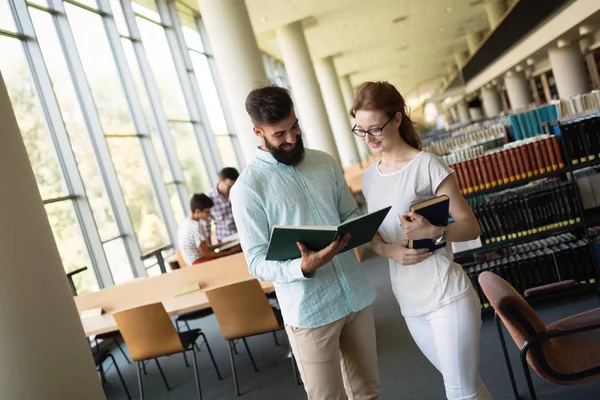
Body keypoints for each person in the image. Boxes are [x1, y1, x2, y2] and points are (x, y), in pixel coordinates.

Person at [230, 85, 379, 400]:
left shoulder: (324, 162)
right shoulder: (247, 189)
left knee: (368, 392)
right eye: (279, 134)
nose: (291, 138)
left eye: (294, 126)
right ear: (257, 132)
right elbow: (256, 262)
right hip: (309, 310)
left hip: (354, 294)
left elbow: (349, 212)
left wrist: (360, 228)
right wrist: (302, 266)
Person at [351, 81, 493, 400]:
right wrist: (386, 248)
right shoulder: (370, 178)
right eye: (360, 130)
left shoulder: (427, 165)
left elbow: (471, 226)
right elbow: (375, 235)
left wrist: (435, 232)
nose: (368, 138)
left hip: (446, 295)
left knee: (460, 392)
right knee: (470, 389)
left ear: (397, 119)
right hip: (410, 302)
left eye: (375, 128)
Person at [177, 193, 240, 266]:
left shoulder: (183, 225)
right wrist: (229, 253)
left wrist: (222, 244)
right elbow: (205, 253)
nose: (209, 214)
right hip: (200, 262)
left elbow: (204, 249)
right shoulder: (196, 226)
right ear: (197, 211)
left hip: (193, 262)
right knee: (236, 252)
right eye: (207, 211)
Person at [201, 167, 239, 244]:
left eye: (233, 186)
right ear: (220, 180)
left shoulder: (238, 192)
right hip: (224, 240)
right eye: (228, 187)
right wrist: (209, 245)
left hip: (241, 235)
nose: (231, 189)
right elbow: (206, 224)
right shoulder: (209, 198)